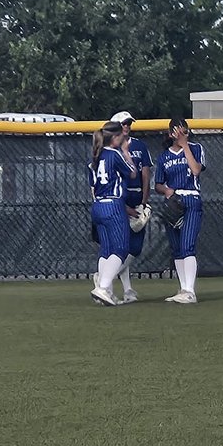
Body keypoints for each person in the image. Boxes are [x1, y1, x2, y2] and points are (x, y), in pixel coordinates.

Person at [153, 117, 206, 303]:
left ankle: (190, 291)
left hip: (191, 199)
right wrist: (167, 191)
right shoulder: (164, 157)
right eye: (178, 131)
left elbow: (196, 170)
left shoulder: (196, 148)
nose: (182, 134)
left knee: (187, 245)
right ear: (170, 134)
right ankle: (183, 288)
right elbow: (157, 184)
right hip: (173, 201)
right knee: (176, 248)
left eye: (185, 131)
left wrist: (185, 145)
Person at [88, 120, 136, 306]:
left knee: (106, 249)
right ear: (115, 138)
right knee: (121, 248)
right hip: (113, 205)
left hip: (98, 206)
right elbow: (132, 173)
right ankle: (103, 286)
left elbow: (93, 185)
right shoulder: (114, 153)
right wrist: (126, 151)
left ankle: (105, 290)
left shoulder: (95, 156)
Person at [109, 110, 152, 304]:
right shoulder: (112, 149)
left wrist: (144, 202)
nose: (127, 126)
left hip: (136, 199)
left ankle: (121, 286)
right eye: (124, 123)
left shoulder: (139, 146)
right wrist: (124, 206)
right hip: (120, 200)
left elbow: (145, 175)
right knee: (124, 247)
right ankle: (108, 281)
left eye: (129, 124)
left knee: (133, 248)